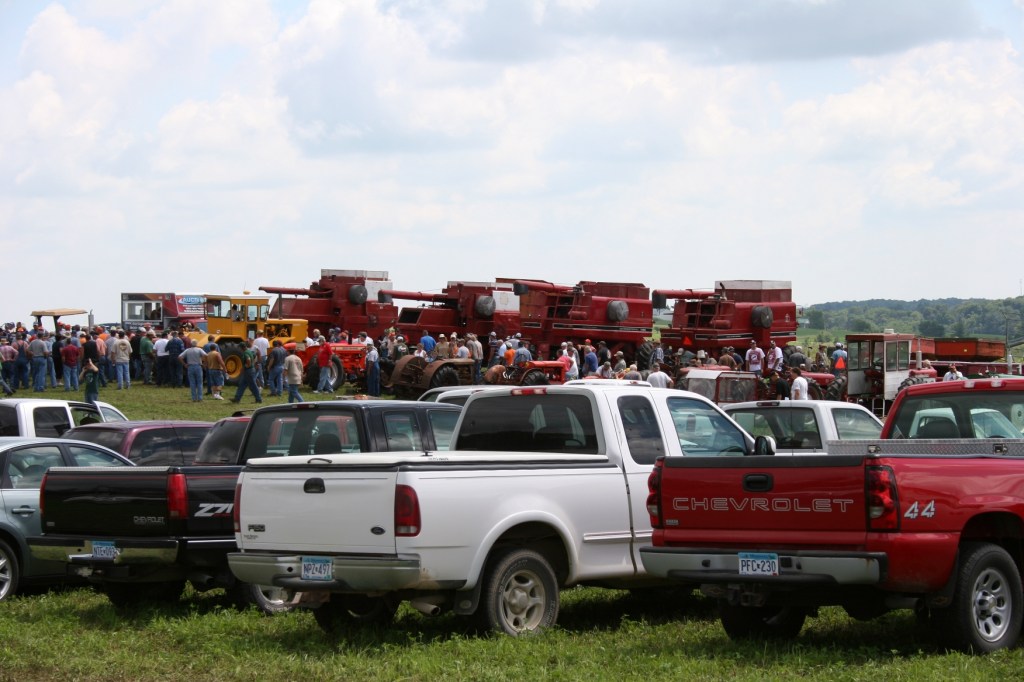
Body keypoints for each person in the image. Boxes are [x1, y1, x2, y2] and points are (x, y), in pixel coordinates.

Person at [230, 339, 262, 404]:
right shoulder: (249, 351)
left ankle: (258, 399)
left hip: (249, 371)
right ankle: (237, 399)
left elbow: (248, 360)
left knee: (253, 386)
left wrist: (246, 366)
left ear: (241, 348)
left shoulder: (245, 353)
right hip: (249, 371)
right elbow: (254, 355)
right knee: (242, 385)